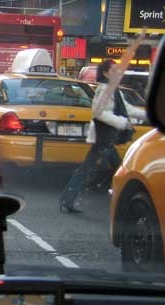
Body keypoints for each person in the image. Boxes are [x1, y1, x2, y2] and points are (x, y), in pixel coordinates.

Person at [59, 59, 146, 213]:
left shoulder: (112, 89)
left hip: (107, 137)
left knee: (96, 168)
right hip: (104, 136)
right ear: (105, 73)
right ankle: (125, 204)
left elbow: (128, 109)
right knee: (117, 170)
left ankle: (68, 199)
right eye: (113, 70)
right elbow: (99, 113)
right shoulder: (105, 90)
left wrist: (151, 115)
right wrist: (122, 122)